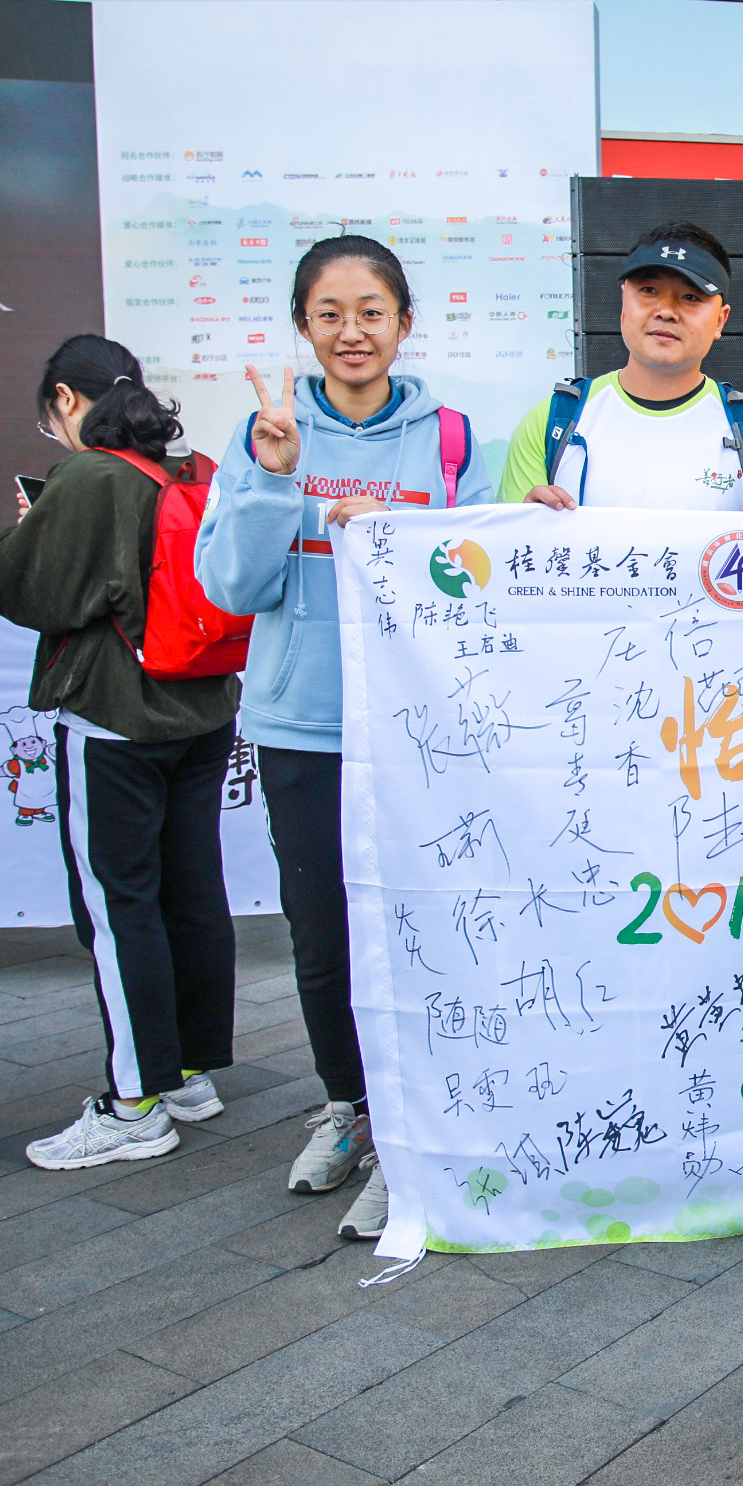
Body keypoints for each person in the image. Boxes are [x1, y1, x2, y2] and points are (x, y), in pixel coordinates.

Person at [196, 236, 496, 1240]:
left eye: (371, 311)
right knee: (323, 940)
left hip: (420, 735)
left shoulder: (453, 441)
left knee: (422, 933)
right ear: (304, 326)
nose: (352, 331)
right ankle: (349, 1107)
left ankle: (414, 1133)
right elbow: (230, 586)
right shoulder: (267, 433)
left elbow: (482, 585)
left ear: (404, 323)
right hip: (303, 727)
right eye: (330, 313)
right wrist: (276, 479)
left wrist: (406, 541)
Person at [0, 335, 241, 1170]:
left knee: (119, 906)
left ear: (66, 399)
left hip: (116, 722)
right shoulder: (186, 466)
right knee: (190, 889)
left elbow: (26, 591)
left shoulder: (89, 475)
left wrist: (30, 527)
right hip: (203, 708)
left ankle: (135, 1105)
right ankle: (188, 1073)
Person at [498, 221, 743, 514]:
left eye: (690, 297)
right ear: (624, 302)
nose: (666, 312)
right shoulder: (551, 421)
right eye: (649, 290)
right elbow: (512, 541)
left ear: (720, 320)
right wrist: (522, 523)